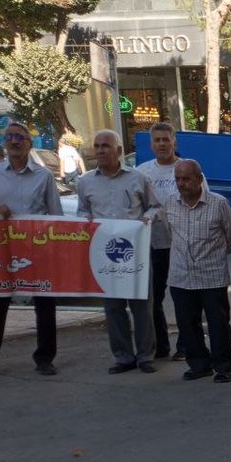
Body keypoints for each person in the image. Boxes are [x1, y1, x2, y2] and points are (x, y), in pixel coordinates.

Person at [0, 121, 64, 382]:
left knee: (45, 304)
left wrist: (54, 249)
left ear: (29, 143)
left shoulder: (43, 176)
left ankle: (45, 359)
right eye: (9, 137)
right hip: (1, 250)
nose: (14, 141)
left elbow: (55, 214)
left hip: (36, 249)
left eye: (19, 137)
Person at [76, 130, 162, 375]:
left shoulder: (138, 178)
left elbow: (156, 207)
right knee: (113, 308)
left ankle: (145, 356)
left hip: (136, 252)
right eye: (97, 146)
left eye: (105, 145)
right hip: (105, 254)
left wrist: (147, 218)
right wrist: (85, 220)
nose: (100, 150)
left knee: (142, 307)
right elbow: (82, 211)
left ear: (119, 151)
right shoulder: (85, 182)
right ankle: (123, 357)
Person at [165, 159, 231, 383]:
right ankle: (198, 365)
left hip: (211, 275)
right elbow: (169, 234)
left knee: (218, 324)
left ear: (199, 179)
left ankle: (224, 366)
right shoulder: (170, 203)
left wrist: (213, 254)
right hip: (181, 277)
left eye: (186, 179)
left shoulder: (218, 203)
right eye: (178, 179)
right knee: (188, 325)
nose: (181, 183)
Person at [135, 122, 184, 360]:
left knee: (183, 299)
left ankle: (186, 347)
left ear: (174, 141)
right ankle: (160, 347)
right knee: (153, 300)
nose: (162, 144)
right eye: (157, 140)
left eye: (166, 139)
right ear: (151, 144)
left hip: (182, 245)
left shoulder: (187, 167)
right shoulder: (141, 172)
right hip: (152, 245)